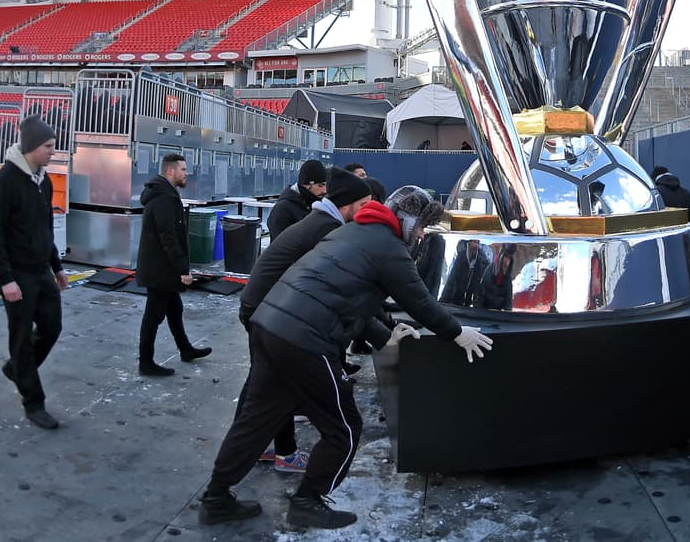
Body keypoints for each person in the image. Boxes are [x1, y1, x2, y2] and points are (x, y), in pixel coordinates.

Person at [199, 185, 492, 529]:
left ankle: (216, 497)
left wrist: (385, 337)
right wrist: (457, 333)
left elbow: (347, 299)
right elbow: (419, 300)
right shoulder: (388, 246)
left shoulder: (353, 232)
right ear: (408, 220)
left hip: (270, 326)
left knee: (256, 419)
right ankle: (308, 500)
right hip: (305, 340)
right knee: (344, 428)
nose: (423, 234)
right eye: (422, 226)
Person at [235, 164, 373, 474]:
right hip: (265, 309)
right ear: (347, 205)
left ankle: (270, 450)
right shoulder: (326, 229)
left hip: (266, 305)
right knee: (268, 384)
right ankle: (263, 452)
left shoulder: (321, 221)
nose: (367, 212)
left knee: (269, 382)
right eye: (364, 206)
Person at [0, 114, 68, 430]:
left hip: (41, 271)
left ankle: (17, 369)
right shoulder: (7, 179)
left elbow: (45, 228)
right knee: (20, 339)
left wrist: (57, 267)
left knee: (52, 327)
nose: (52, 152)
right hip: (17, 274)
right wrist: (5, 279)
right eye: (48, 146)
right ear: (32, 146)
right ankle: (34, 402)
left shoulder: (43, 180)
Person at [135, 152, 212, 376]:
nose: (186, 173)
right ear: (171, 171)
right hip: (160, 269)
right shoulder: (163, 198)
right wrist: (182, 270)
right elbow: (168, 236)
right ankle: (145, 362)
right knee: (153, 315)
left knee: (174, 309)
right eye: (183, 170)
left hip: (161, 266)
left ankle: (185, 349)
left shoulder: (166, 194)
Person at [266, 159, 327, 242]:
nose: (324, 190)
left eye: (326, 185)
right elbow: (281, 246)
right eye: (320, 185)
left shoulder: (314, 204)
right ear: (307, 185)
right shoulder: (283, 209)